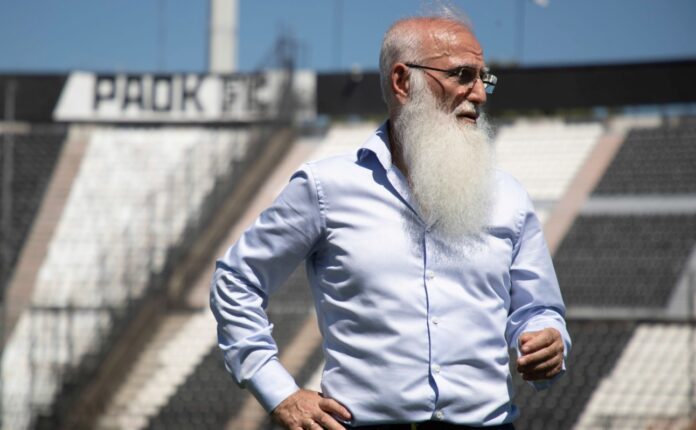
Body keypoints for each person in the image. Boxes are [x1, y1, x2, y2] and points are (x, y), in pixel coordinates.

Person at [211, 8, 571, 430]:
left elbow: (538, 309)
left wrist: (548, 338)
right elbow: (236, 280)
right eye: (462, 75)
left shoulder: (508, 196)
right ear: (402, 81)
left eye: (483, 78)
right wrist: (279, 393)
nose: (479, 94)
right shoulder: (325, 187)